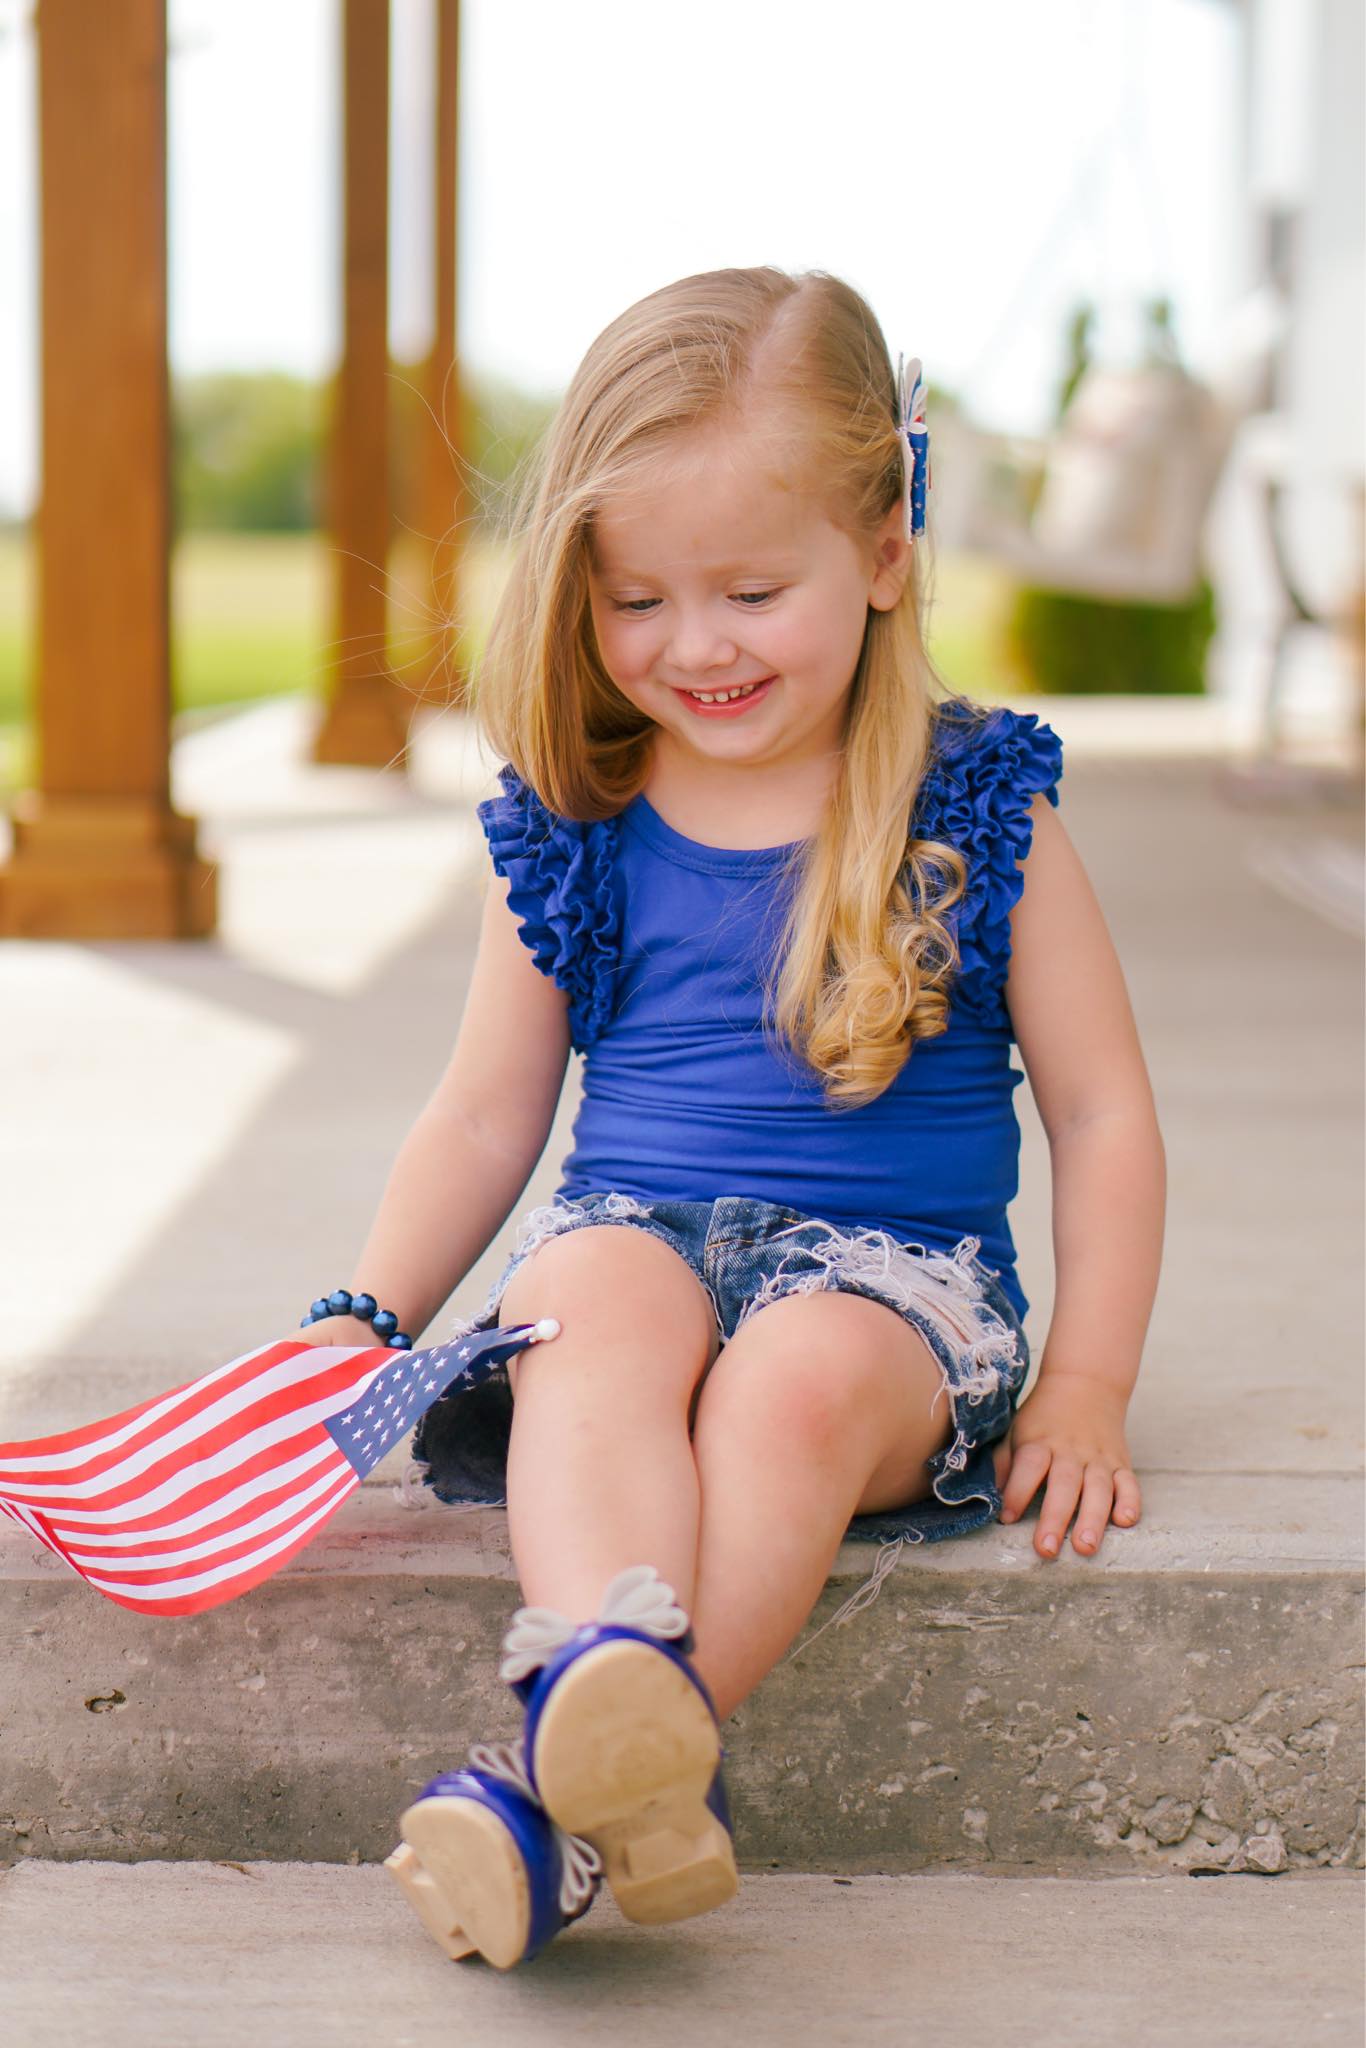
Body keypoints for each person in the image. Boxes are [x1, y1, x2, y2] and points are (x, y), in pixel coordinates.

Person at [295, 266, 1165, 1969]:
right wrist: (363, 1318)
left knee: (790, 1385)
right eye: (636, 601)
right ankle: (599, 1692)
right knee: (592, 1310)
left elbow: (1101, 1107)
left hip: (895, 1288)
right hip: (640, 1231)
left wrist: (1088, 1381)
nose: (693, 646)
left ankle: (558, 1801)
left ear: (885, 557)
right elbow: (487, 1116)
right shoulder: (576, 814)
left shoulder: (975, 802)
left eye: (751, 591)